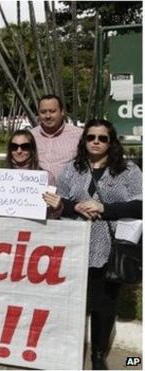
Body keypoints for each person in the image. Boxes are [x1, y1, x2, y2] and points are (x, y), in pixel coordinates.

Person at [56, 119, 142, 370]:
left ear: (111, 141)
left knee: (104, 303)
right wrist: (77, 206)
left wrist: (104, 207)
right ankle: (68, 350)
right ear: (84, 141)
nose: (95, 142)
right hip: (76, 243)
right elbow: (60, 200)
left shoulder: (128, 170)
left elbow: (140, 203)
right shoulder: (73, 168)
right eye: (90, 137)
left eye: (102, 138)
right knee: (74, 300)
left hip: (112, 245)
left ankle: (98, 355)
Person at [0, 130, 60, 217]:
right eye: (14, 147)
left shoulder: (47, 178)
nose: (19, 151)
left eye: (25, 146)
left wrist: (57, 207)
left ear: (32, 149)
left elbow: (52, 217)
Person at [30, 94, 83, 184]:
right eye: (43, 112)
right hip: (35, 192)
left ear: (62, 112)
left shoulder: (79, 135)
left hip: (67, 194)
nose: (48, 116)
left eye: (52, 111)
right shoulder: (30, 136)